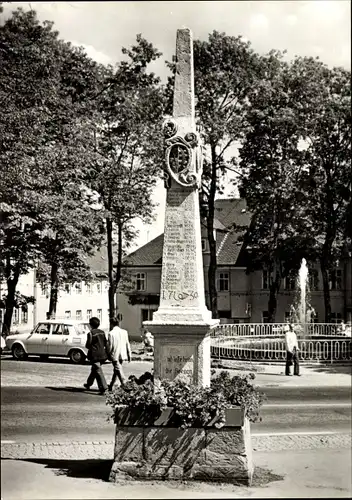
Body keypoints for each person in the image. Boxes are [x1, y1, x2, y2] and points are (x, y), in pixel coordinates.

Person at [84, 316, 108, 394]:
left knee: (98, 370)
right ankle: (88, 384)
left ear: (91, 325)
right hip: (103, 354)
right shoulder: (102, 332)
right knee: (94, 370)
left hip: (94, 355)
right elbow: (105, 343)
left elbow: (88, 345)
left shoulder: (91, 333)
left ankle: (104, 388)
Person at [106, 317, 132, 391]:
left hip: (115, 354)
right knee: (117, 369)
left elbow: (110, 345)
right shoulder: (124, 332)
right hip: (123, 353)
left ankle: (124, 384)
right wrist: (129, 354)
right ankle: (111, 385)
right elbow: (127, 343)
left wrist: (108, 353)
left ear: (111, 324)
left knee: (118, 368)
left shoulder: (111, 333)